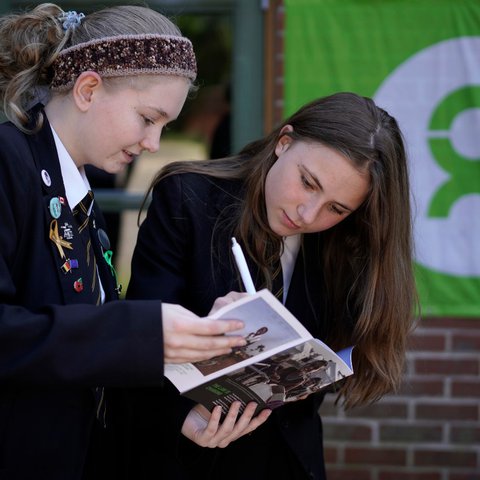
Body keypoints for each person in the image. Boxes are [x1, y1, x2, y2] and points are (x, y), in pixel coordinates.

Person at [0, 4, 270, 480]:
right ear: (88, 89)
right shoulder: (8, 162)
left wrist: (184, 399)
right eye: (149, 118)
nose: (153, 143)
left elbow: (87, 363)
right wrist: (142, 330)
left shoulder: (84, 199)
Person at [125, 91, 419, 479]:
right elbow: (135, 340)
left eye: (336, 208)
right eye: (308, 182)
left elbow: (332, 364)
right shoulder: (188, 199)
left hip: (288, 461)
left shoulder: (348, 242)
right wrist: (202, 341)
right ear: (284, 143)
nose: (307, 213)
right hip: (186, 459)